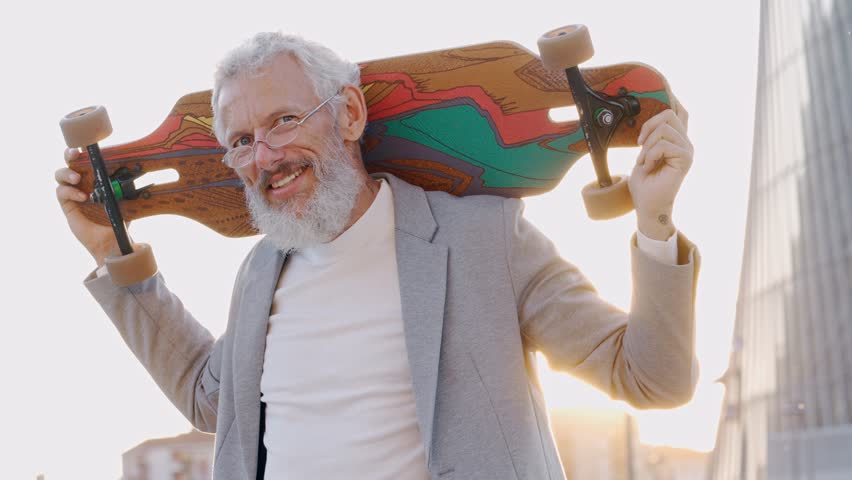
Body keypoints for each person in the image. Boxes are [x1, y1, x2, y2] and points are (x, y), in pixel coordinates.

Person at [54, 32, 699, 480]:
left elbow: (651, 377)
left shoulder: (482, 239)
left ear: (351, 113)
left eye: (284, 121)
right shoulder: (259, 273)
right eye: (241, 141)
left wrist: (655, 220)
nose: (265, 157)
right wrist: (115, 253)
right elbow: (210, 399)